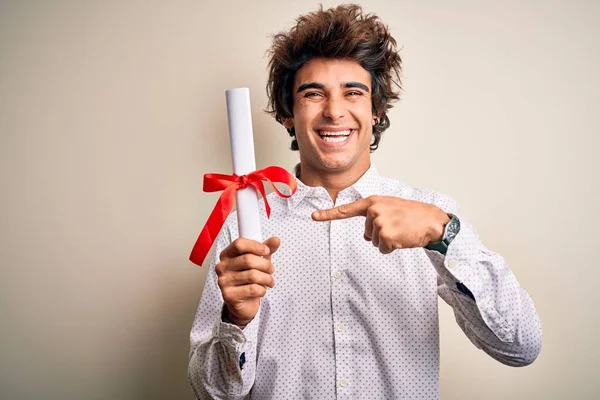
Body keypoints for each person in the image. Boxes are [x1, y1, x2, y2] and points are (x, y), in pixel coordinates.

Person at [188, 4, 542, 399]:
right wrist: (234, 319)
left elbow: (521, 347)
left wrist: (443, 236)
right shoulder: (246, 228)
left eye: (353, 92)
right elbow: (212, 393)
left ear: (375, 110)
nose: (334, 111)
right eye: (313, 94)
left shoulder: (429, 215)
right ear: (289, 113)